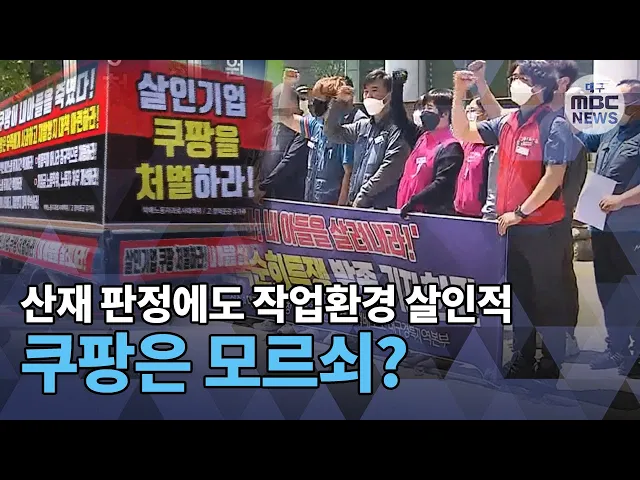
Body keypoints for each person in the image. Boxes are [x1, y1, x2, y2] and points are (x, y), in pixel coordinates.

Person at [452, 60, 574, 380]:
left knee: (547, 298)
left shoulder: (554, 125)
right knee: (519, 298)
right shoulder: (508, 122)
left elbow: (553, 177)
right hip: (511, 228)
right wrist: (460, 94)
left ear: (540, 86)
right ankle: (522, 357)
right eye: (514, 77)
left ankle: (550, 363)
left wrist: (521, 212)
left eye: (523, 78)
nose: (515, 83)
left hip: (542, 228)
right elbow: (463, 131)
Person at [578, 79, 640, 375]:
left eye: (622, 100)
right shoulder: (610, 129)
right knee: (609, 290)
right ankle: (616, 348)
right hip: (601, 227)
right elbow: (578, 138)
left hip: (632, 229)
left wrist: (621, 200)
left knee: (633, 293)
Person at [276, 70, 367, 205]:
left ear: (333, 101)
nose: (313, 102)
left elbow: (349, 174)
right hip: (313, 203)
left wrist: (341, 211)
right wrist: (287, 85)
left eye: (319, 99)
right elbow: (285, 117)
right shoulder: (316, 124)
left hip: (332, 206)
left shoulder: (348, 128)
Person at [324, 69, 410, 209]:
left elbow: (391, 168)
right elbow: (332, 132)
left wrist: (364, 195)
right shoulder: (363, 126)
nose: (369, 96)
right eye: (365, 92)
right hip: (358, 204)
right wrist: (338, 103)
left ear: (389, 95)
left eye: (374, 90)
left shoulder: (398, 129)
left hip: (381, 208)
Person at [391, 70, 464, 217]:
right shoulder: (421, 137)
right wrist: (397, 87)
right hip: (406, 214)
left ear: (445, 114)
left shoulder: (451, 147)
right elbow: (399, 118)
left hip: (429, 218)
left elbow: (442, 184)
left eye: (429, 108)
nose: (424, 112)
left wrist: (414, 201)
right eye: (423, 108)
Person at [256, 78, 308, 202]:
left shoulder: (304, 130)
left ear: (290, 103)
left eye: (275, 102)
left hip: (289, 199)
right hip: (265, 197)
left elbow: (289, 163)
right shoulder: (272, 128)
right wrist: (257, 183)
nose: (272, 107)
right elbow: (261, 160)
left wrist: (264, 187)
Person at [453, 97, 496, 218]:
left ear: (485, 114)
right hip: (459, 210)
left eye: (472, 110)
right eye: (467, 110)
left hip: (480, 214)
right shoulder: (466, 141)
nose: (469, 114)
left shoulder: (491, 145)